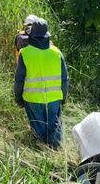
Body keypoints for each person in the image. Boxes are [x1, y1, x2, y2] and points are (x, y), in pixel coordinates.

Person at [13, 17, 68, 148]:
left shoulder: (25, 53)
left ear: (31, 35)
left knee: (39, 133)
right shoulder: (57, 53)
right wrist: (64, 97)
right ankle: (55, 155)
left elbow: (19, 80)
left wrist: (18, 98)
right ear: (47, 35)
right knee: (55, 131)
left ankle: (41, 154)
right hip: (54, 100)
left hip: (33, 100)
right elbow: (64, 79)